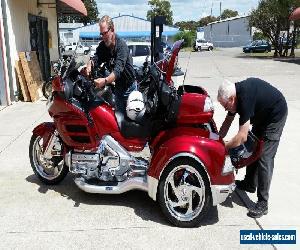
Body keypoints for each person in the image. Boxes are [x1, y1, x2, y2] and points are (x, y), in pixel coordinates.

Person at [217, 78, 288, 218]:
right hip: (262, 116)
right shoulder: (234, 96)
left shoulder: (244, 99)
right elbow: (227, 122)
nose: (225, 109)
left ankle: (263, 203)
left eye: (225, 105)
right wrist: (217, 139)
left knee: (264, 157)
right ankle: (249, 183)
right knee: (254, 147)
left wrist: (223, 147)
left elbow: (242, 137)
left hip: (275, 116)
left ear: (231, 99)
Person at [86, 15, 136, 111]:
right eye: (101, 34)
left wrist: (104, 81)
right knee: (119, 119)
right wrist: (89, 64)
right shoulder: (103, 46)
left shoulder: (121, 46)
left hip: (129, 88)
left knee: (131, 121)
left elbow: (117, 71)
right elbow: (96, 58)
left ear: (112, 29)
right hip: (118, 88)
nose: (103, 37)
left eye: (105, 33)